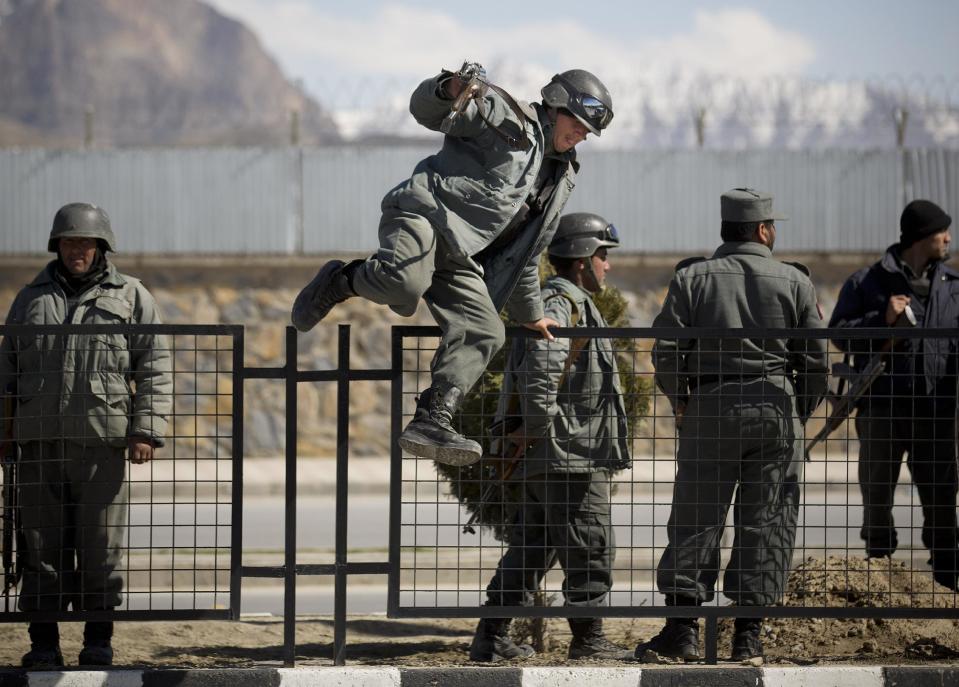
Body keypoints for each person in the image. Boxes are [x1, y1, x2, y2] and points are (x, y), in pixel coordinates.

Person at [291, 64, 613, 467]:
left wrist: (532, 315)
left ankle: (431, 418)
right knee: (404, 284)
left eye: (588, 131)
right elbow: (424, 110)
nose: (582, 134)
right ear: (556, 105)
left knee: (486, 330)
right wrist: (450, 88)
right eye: (578, 123)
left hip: (462, 257)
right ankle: (341, 280)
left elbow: (527, 253)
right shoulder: (505, 115)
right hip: (425, 218)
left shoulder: (560, 176)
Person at [639, 188, 828, 662]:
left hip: (710, 405)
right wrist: (797, 412)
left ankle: (681, 633)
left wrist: (682, 400)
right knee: (766, 521)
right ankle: (748, 637)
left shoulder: (692, 278)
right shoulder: (795, 281)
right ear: (763, 230)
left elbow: (665, 350)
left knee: (697, 517)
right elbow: (816, 361)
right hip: (774, 405)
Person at [0, 203, 172, 667]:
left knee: (100, 548)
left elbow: (155, 366)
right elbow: (6, 371)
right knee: (41, 548)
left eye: (86, 242)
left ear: (101, 247)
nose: (78, 249)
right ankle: (43, 644)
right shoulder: (30, 298)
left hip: (103, 444)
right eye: (70, 242)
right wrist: (4, 430)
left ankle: (98, 640)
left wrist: (146, 431)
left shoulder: (132, 296)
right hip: (38, 446)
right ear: (57, 246)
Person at [469, 212, 632, 662]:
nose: (608, 266)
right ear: (582, 259)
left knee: (532, 549)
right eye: (603, 256)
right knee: (590, 544)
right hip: (567, 454)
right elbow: (543, 361)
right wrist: (538, 427)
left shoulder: (568, 299)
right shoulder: (562, 301)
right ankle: (588, 639)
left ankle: (491, 637)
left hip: (556, 450)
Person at [829, 199, 959, 590]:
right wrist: (880, 320)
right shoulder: (866, 282)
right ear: (921, 237)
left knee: (941, 500)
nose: (948, 238)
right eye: (942, 231)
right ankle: (879, 579)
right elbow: (837, 332)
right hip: (881, 410)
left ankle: (948, 583)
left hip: (937, 413)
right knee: (877, 496)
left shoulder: (953, 287)